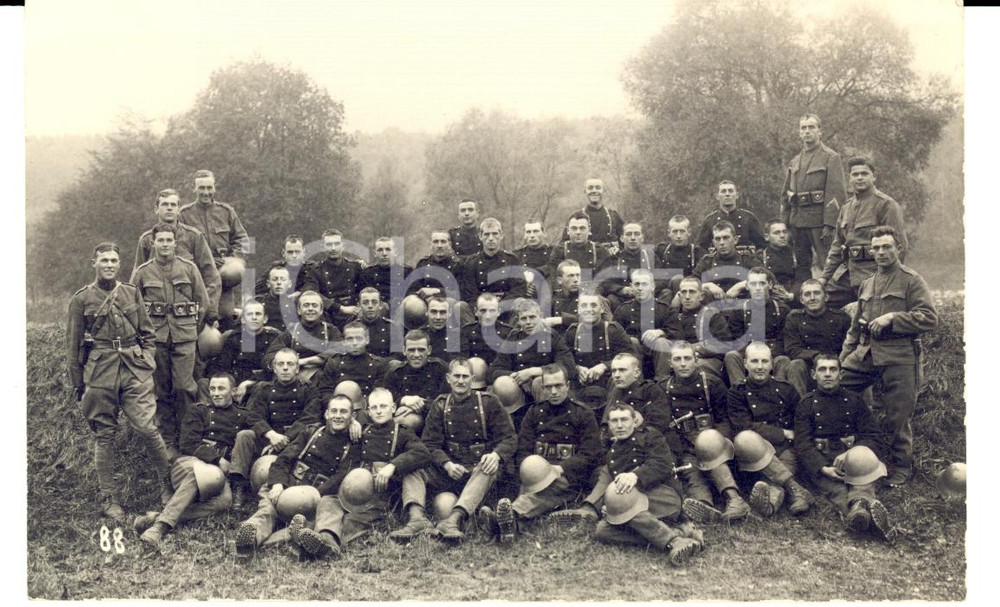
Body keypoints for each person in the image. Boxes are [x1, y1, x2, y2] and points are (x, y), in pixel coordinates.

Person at [67, 242, 174, 520]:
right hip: (100, 371)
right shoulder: (82, 299)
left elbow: (148, 333)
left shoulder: (130, 292)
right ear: (94, 263)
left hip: (134, 368)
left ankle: (168, 486)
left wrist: (146, 360)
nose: (110, 265)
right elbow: (73, 345)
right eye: (104, 260)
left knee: (148, 428)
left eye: (114, 260)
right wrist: (78, 383)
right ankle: (109, 498)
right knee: (105, 435)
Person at [838, 226, 937, 487]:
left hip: (899, 355)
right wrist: (844, 357)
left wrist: (893, 318)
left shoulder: (911, 280)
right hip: (866, 353)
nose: (881, 252)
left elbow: (929, 318)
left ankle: (900, 466)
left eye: (886, 247)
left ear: (898, 249)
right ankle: (859, 450)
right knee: (838, 388)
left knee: (897, 415)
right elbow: (856, 326)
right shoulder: (868, 283)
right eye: (876, 248)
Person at [555, 403, 704, 566]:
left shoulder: (650, 436)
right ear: (609, 425)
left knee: (622, 503)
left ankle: (674, 541)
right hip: (633, 502)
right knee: (602, 530)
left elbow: (663, 463)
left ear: (635, 421)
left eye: (624, 420)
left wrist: (636, 476)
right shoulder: (612, 452)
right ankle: (683, 532)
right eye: (614, 421)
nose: (619, 425)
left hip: (664, 497)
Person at [295, 388, 432, 556]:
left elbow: (422, 453)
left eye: (383, 406)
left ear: (393, 408)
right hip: (351, 491)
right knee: (328, 502)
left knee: (354, 519)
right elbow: (346, 456)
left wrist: (392, 466)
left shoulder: (403, 433)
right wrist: (353, 423)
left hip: (380, 497)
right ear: (368, 411)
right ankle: (324, 538)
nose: (379, 411)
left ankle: (327, 543)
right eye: (374, 407)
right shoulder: (361, 433)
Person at [478, 364, 601, 542]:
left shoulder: (582, 414)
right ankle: (509, 527)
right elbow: (523, 449)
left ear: (568, 385)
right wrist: (529, 470)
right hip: (535, 473)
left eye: (558, 386)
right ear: (542, 388)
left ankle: (507, 516)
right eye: (548, 387)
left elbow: (591, 453)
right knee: (531, 490)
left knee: (541, 495)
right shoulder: (534, 412)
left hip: (566, 476)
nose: (553, 391)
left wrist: (561, 468)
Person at [135, 373, 254, 549]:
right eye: (212, 389)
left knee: (224, 501)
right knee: (203, 473)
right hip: (189, 463)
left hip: (217, 475)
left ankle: (156, 517)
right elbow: (188, 443)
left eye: (221, 388)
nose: (216, 393)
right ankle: (161, 527)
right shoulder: (198, 410)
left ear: (233, 391)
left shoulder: (243, 416)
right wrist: (217, 459)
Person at [234, 395, 357, 563]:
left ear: (352, 416)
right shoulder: (311, 432)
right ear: (326, 414)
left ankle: (324, 544)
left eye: (344, 412)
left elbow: (339, 477)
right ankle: (250, 538)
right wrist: (278, 484)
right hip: (291, 481)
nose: (338, 415)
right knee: (268, 508)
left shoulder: (355, 443)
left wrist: (314, 495)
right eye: (334, 411)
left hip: (320, 493)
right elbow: (283, 459)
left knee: (329, 510)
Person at [794, 354, 896, 542]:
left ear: (840, 374)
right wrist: (823, 468)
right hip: (825, 464)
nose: (827, 374)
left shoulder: (855, 402)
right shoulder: (806, 405)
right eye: (822, 370)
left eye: (832, 369)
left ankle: (860, 512)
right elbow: (802, 443)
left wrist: (851, 453)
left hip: (853, 459)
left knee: (862, 480)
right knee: (838, 491)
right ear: (813, 374)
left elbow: (874, 436)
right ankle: (863, 514)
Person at [131, 223, 210, 453]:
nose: (165, 244)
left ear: (175, 243)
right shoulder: (143, 272)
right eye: (160, 240)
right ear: (153, 243)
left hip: (184, 338)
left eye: (169, 240)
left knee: (184, 387)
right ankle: (168, 440)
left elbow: (202, 303)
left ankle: (188, 438)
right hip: (156, 338)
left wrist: (189, 328)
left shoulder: (189, 268)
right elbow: (132, 306)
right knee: (160, 389)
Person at [419, 358, 518, 543]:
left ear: (472, 379)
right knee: (433, 491)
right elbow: (429, 444)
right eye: (456, 376)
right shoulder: (440, 405)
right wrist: (447, 464)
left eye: (465, 376)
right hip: (452, 473)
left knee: (488, 466)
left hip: (481, 472)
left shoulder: (490, 402)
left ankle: (454, 519)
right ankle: (422, 520)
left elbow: (509, 438)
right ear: (448, 378)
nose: (461, 381)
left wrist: (495, 455)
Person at [726, 342, 814, 518]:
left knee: (787, 459)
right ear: (745, 364)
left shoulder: (785, 389)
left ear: (772, 364)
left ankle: (771, 503)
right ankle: (794, 489)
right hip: (755, 451)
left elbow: (801, 419)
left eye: (764, 361)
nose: (760, 367)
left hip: (785, 449)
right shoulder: (737, 392)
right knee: (745, 438)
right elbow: (743, 426)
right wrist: (782, 433)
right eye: (755, 361)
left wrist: (791, 436)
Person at [820, 157, 907, 300]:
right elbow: (837, 247)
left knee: (869, 316)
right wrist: (824, 278)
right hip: (848, 276)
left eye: (864, 174)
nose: (859, 178)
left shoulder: (886, 204)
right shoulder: (846, 207)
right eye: (855, 174)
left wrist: (889, 279)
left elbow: (900, 246)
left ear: (874, 177)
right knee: (821, 303)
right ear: (850, 179)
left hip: (874, 274)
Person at [487, 299, 578, 427]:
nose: (528, 322)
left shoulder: (551, 336)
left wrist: (536, 371)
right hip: (519, 391)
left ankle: (549, 427)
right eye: (524, 319)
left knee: (538, 383)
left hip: (545, 388)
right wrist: (516, 376)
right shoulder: (513, 338)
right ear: (518, 320)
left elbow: (568, 366)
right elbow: (494, 370)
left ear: (540, 316)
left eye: (532, 317)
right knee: (502, 384)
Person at [178, 170, 250, 330]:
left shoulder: (226, 212)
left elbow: (242, 240)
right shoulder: (184, 215)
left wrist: (231, 259)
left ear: (214, 188)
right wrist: (203, 263)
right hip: (198, 275)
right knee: (200, 320)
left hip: (222, 273)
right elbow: (180, 246)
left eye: (209, 188)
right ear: (194, 189)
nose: (205, 192)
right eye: (201, 188)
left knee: (226, 319)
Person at [135, 188, 221, 320]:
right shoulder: (146, 240)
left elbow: (211, 276)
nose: (169, 208)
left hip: (188, 313)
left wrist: (208, 313)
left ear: (178, 209)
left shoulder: (194, 236)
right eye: (164, 204)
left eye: (173, 205)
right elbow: (137, 280)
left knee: (212, 339)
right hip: (156, 316)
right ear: (156, 209)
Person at [780, 114, 847, 277]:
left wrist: (830, 224)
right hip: (797, 222)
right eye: (803, 128)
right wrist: (784, 224)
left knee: (829, 265)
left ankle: (834, 300)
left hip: (819, 223)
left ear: (820, 131)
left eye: (811, 127)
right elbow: (786, 195)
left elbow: (836, 194)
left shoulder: (830, 157)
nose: (807, 131)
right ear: (799, 133)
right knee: (801, 266)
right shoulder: (794, 161)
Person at [780, 279, 851, 397]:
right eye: (807, 294)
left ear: (826, 297)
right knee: (795, 365)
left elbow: (850, 345)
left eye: (817, 293)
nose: (812, 298)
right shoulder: (794, 318)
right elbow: (792, 349)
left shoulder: (841, 318)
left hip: (835, 365)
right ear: (802, 300)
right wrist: (815, 356)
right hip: (808, 368)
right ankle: (801, 407)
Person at [722, 267, 791, 387]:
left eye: (762, 283)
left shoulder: (782, 310)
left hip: (773, 355)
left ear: (770, 285)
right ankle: (740, 392)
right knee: (731, 356)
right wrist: (753, 355)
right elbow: (737, 340)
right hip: (748, 355)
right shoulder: (739, 310)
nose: (758, 288)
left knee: (783, 360)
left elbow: (783, 339)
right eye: (753, 284)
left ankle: (778, 393)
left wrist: (766, 356)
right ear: (747, 286)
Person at [203, 300, 281, 403]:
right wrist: (228, 384)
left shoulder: (273, 338)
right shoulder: (234, 337)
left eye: (258, 314)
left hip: (259, 382)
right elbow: (221, 365)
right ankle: (209, 415)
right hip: (235, 380)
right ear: (243, 319)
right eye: (250, 314)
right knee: (203, 383)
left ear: (265, 319)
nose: (254, 317)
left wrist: (248, 383)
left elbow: (276, 368)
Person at [566, 294, 635, 407]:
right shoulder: (572, 332)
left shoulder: (613, 330)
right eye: (584, 306)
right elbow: (564, 359)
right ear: (578, 309)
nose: (589, 309)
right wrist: (577, 368)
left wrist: (605, 366)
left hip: (608, 380)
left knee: (620, 378)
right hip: (581, 382)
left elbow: (630, 355)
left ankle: (607, 421)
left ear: (602, 308)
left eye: (593, 305)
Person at [613, 268, 682, 379]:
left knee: (661, 342)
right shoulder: (623, 310)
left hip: (659, 356)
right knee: (632, 342)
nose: (640, 288)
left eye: (644, 284)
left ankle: (662, 382)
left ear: (652, 286)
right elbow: (614, 335)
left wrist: (661, 332)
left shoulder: (664, 309)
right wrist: (629, 339)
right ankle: (636, 383)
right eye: (637, 284)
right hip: (633, 354)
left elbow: (678, 333)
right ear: (632, 287)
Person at [263, 291, 342, 382]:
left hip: (322, 379)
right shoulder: (291, 331)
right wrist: (285, 362)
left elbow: (338, 352)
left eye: (314, 305)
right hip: (294, 378)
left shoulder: (331, 330)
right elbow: (269, 356)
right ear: (299, 310)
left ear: (321, 310)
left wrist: (304, 361)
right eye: (306, 305)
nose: (310, 308)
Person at [381, 330, 450, 432]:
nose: (416, 354)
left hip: (437, 423)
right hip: (403, 425)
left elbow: (448, 401)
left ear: (429, 350)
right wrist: (403, 400)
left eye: (421, 350)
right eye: (411, 350)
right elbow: (384, 401)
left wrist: (418, 406)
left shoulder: (440, 368)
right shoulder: (395, 373)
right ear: (404, 351)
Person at [312, 321, 391, 404]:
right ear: (344, 342)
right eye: (350, 339)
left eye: (359, 339)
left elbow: (378, 394)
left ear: (367, 340)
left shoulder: (378, 364)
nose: (354, 343)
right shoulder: (334, 363)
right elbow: (325, 391)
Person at [301, 229, 364, 324]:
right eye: (329, 245)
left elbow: (365, 290)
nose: (333, 248)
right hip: (327, 315)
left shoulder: (355, 267)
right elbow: (310, 292)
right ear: (322, 247)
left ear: (343, 246)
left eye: (337, 244)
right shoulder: (316, 270)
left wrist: (359, 308)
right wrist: (340, 308)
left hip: (353, 313)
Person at [460, 218, 526, 305]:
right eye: (486, 234)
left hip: (506, 307)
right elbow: (469, 293)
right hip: (480, 308)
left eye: (495, 234)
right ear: (480, 236)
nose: (491, 238)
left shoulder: (512, 260)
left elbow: (518, 289)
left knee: (520, 301)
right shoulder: (472, 262)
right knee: (461, 306)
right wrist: (483, 307)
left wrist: (502, 305)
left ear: (501, 235)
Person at [693, 221, 761, 296]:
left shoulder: (746, 259)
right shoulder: (707, 261)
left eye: (726, 238)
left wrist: (740, 286)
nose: (722, 243)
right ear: (714, 242)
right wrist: (708, 285)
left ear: (735, 240)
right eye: (718, 239)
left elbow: (766, 277)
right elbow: (691, 283)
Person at [596, 222, 655, 309]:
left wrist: (647, 288)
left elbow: (662, 279)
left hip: (648, 297)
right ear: (622, 238)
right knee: (611, 298)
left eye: (637, 234)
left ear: (642, 238)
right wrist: (621, 290)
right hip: (623, 299)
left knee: (666, 293)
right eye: (628, 234)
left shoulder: (650, 256)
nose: (633, 238)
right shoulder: (614, 258)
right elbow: (605, 282)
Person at [697, 181, 765, 253]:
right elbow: (701, 248)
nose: (727, 194)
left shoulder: (748, 218)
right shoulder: (710, 221)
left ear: (737, 195)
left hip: (745, 262)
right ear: (717, 196)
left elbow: (762, 245)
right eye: (723, 191)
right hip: (719, 262)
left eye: (730, 191)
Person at [561, 178, 626, 254]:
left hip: (610, 260)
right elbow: (564, 244)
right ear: (585, 191)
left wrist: (618, 250)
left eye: (598, 188)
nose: (594, 191)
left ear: (604, 191)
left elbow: (624, 240)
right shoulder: (575, 217)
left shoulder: (613, 215)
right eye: (590, 188)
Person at [654, 215, 705, 296]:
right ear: (669, 233)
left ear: (689, 232)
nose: (678, 236)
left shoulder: (696, 252)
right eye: (675, 232)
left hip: (690, 293)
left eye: (682, 231)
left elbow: (700, 278)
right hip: (665, 293)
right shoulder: (661, 251)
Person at [412, 230, 466, 301]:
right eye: (435, 242)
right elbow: (412, 289)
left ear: (450, 245)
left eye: (443, 242)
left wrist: (437, 291)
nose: (439, 246)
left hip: (448, 304)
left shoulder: (457, 265)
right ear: (430, 245)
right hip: (424, 303)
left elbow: (461, 293)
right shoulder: (423, 263)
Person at [462, 293, 514, 365]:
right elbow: (462, 360)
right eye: (483, 311)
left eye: (492, 311)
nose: (488, 316)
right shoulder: (466, 331)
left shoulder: (509, 332)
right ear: (476, 312)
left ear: (498, 312)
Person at [360, 237, 415, 303]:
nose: (384, 254)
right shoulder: (367, 273)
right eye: (380, 250)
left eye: (388, 249)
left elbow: (412, 296)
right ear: (374, 253)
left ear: (395, 252)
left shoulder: (407, 272)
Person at [759, 219, 800, 298]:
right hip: (770, 297)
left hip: (794, 296)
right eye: (777, 233)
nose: (782, 236)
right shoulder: (761, 257)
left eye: (784, 232)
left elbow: (802, 277)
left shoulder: (797, 255)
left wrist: (792, 295)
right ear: (767, 237)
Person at [355, 287, 398, 359]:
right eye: (365, 302)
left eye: (374, 302)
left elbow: (397, 355)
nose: (370, 306)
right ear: (359, 305)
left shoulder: (391, 327)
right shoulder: (353, 328)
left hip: (385, 367)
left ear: (381, 305)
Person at [421, 296, 469, 361]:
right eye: (434, 312)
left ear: (449, 313)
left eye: (443, 312)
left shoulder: (458, 336)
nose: (438, 317)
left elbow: (460, 363)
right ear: (426, 312)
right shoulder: (420, 335)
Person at [254, 266, 298, 332]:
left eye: (283, 279)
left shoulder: (295, 304)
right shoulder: (258, 302)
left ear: (289, 284)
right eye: (275, 279)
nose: (279, 283)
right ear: (268, 284)